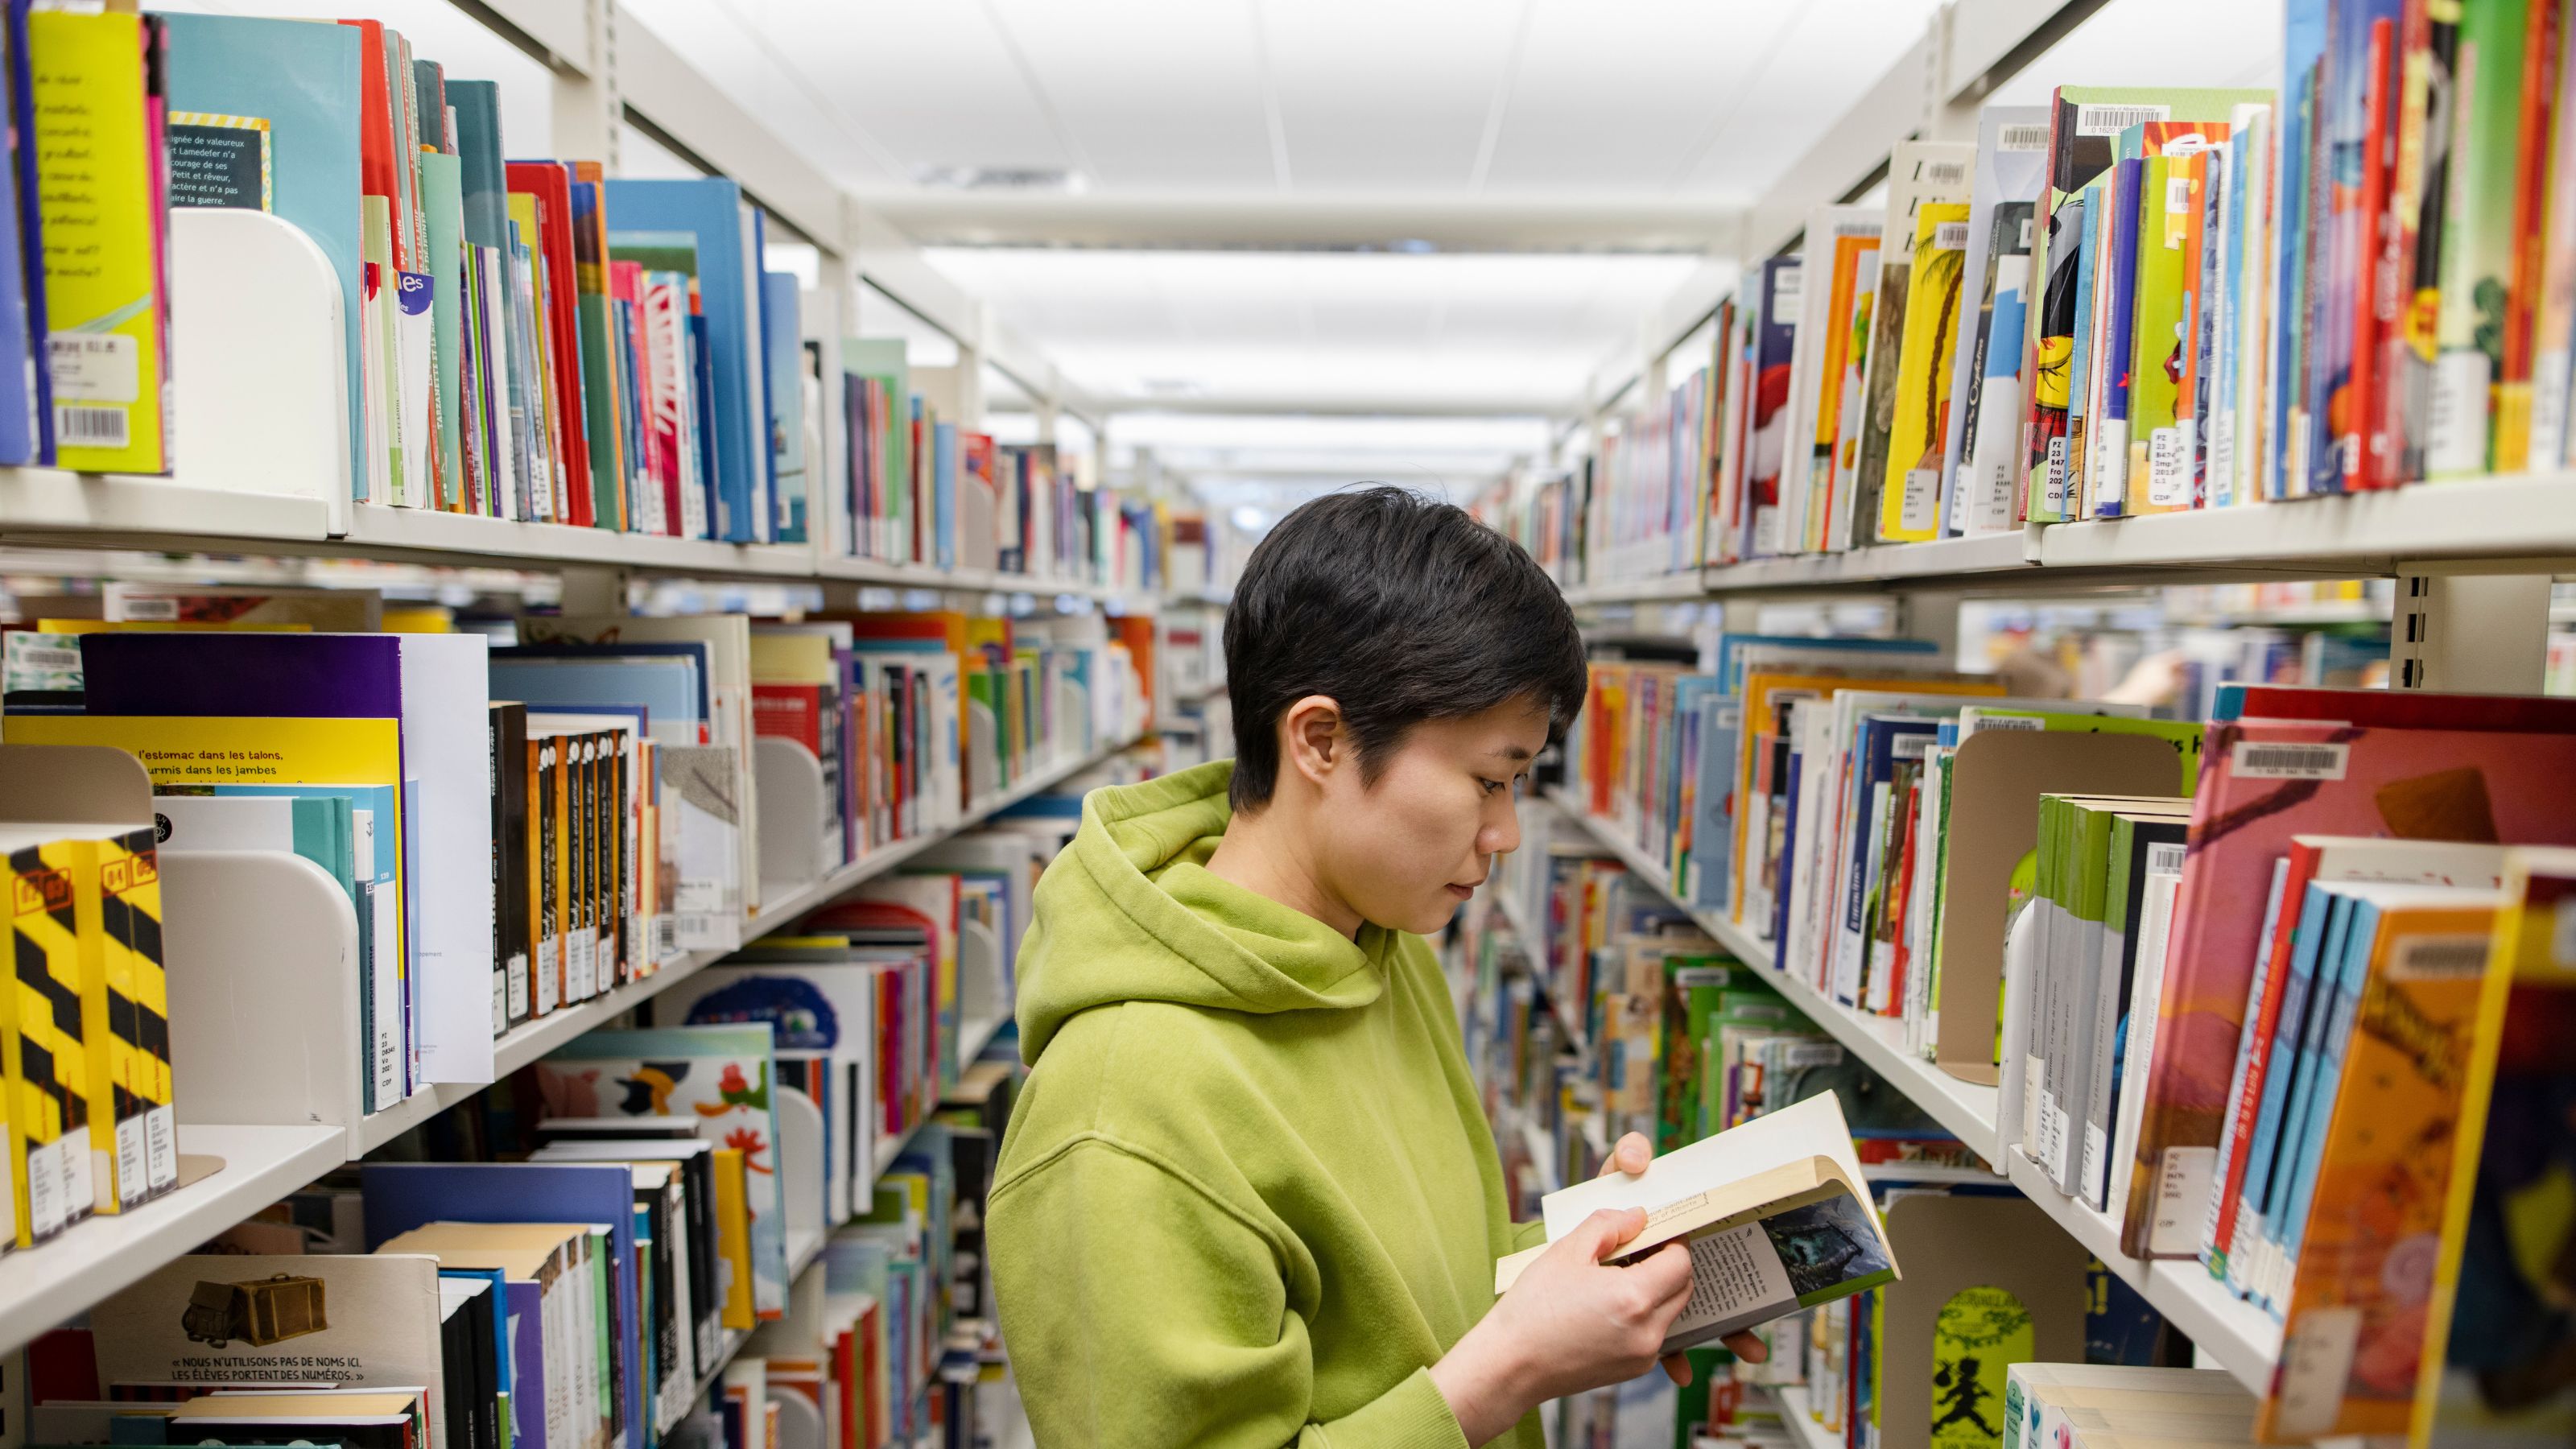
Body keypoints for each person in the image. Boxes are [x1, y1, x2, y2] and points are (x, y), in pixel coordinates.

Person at [988, 485, 1761, 1448]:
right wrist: (1512, 1365)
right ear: (1319, 739)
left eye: (1519, 783)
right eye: (1486, 780)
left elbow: (1403, 1306)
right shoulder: (1121, 1110)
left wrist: (1584, 1267)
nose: (1507, 833)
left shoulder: (1376, 948)